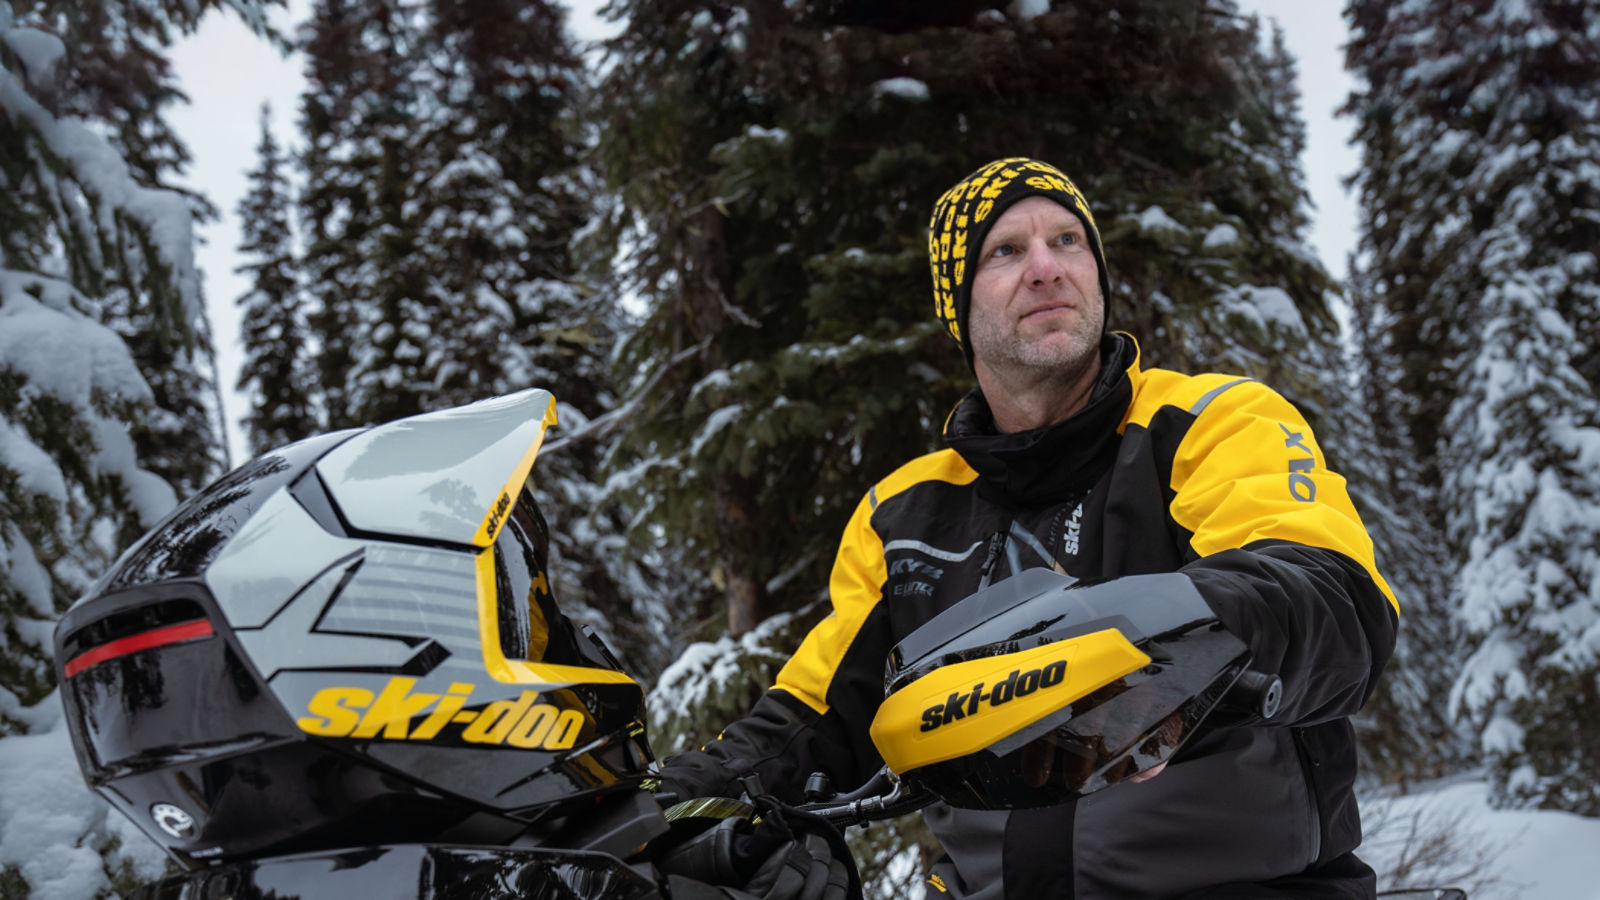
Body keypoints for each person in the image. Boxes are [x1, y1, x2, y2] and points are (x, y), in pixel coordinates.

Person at [657, 157, 1399, 899]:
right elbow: (814, 719)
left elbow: (1327, 594)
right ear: (958, 305)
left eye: (1069, 241)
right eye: (1005, 252)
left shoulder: (1207, 422)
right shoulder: (905, 512)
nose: (1046, 269)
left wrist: (1168, 657)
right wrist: (650, 806)